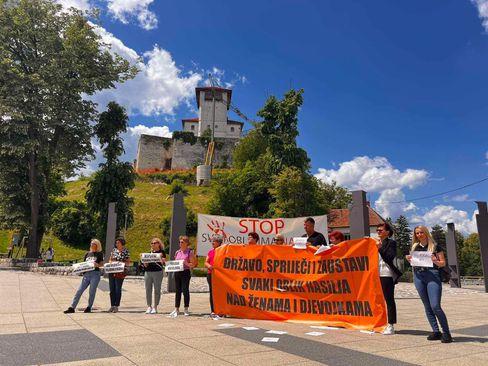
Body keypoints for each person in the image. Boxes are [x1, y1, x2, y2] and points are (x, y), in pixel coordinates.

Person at [406, 225, 452, 343]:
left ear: (426, 233)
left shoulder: (435, 246)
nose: (419, 235)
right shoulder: (415, 246)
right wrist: (409, 259)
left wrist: (435, 260)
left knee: (435, 306)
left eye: (421, 232)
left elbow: (442, 263)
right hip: (418, 276)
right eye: (417, 233)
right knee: (427, 306)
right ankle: (436, 331)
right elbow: (414, 262)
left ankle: (446, 333)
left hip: (432, 275)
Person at [375, 223, 402, 335]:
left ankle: (390, 324)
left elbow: (389, 257)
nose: (378, 232)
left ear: (387, 232)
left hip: (385, 273)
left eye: (381, 230)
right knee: (376, 300)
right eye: (377, 230)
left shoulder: (391, 243)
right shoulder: (373, 242)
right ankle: (377, 322)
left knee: (389, 299)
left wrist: (380, 248)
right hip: (374, 274)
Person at [64, 239, 104, 314]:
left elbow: (102, 264)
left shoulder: (99, 254)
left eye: (93, 244)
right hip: (86, 274)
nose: (91, 245)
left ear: (97, 245)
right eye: (91, 244)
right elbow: (84, 264)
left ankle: (89, 307)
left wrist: (97, 265)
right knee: (79, 290)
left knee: (92, 291)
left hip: (95, 274)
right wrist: (79, 269)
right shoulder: (87, 254)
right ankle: (72, 307)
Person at [168, 236, 197, 318]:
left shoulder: (189, 252)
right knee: (177, 291)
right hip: (178, 272)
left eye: (182, 242)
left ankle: (186, 308)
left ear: (187, 243)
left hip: (185, 272)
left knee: (185, 290)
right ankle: (176, 308)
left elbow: (193, 264)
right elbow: (175, 262)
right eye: (179, 242)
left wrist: (186, 263)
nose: (180, 244)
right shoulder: (177, 252)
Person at [143, 238, 166, 314]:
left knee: (157, 290)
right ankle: (149, 306)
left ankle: (155, 306)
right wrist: (145, 263)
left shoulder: (162, 252)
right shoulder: (149, 253)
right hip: (148, 272)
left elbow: (163, 263)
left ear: (159, 244)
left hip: (157, 272)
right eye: (152, 243)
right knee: (148, 290)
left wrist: (161, 260)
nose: (153, 244)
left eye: (155, 243)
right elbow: (145, 264)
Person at [108, 237, 130, 313]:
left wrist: (121, 263)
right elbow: (110, 259)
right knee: (111, 289)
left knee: (118, 289)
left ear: (122, 243)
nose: (116, 244)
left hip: (120, 272)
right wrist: (111, 262)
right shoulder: (114, 250)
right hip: (112, 271)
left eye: (118, 243)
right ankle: (112, 305)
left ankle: (116, 306)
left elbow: (128, 262)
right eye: (116, 243)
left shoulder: (126, 251)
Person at [205, 235, 223, 318]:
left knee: (220, 292)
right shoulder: (210, 252)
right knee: (212, 292)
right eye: (212, 241)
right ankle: (213, 310)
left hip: (220, 275)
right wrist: (209, 266)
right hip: (210, 274)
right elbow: (206, 262)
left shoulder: (223, 251)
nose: (212, 242)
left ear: (219, 243)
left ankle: (221, 310)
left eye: (214, 241)